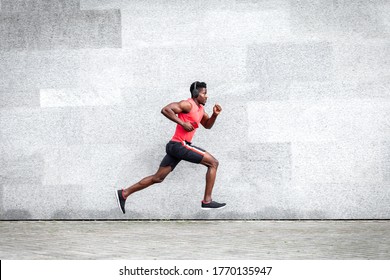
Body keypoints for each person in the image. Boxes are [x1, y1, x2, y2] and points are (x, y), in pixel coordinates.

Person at [115, 81, 226, 214]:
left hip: (177, 147)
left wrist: (214, 115)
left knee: (158, 178)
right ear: (196, 94)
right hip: (180, 145)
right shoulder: (187, 104)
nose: (206, 96)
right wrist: (182, 122)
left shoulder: (201, 110)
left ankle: (124, 193)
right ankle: (207, 201)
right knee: (213, 163)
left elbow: (207, 125)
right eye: (204, 93)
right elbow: (166, 109)